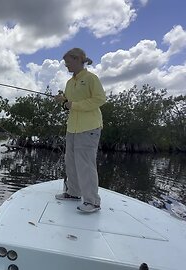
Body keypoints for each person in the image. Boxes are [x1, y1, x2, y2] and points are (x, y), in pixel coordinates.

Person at [54, 48, 106, 213]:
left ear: (77, 60)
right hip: (72, 128)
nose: (66, 66)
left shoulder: (91, 78)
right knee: (71, 161)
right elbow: (69, 104)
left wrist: (73, 105)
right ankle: (73, 193)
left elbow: (100, 99)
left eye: (68, 62)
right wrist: (63, 101)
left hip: (89, 127)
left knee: (86, 164)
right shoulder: (70, 82)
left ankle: (92, 202)